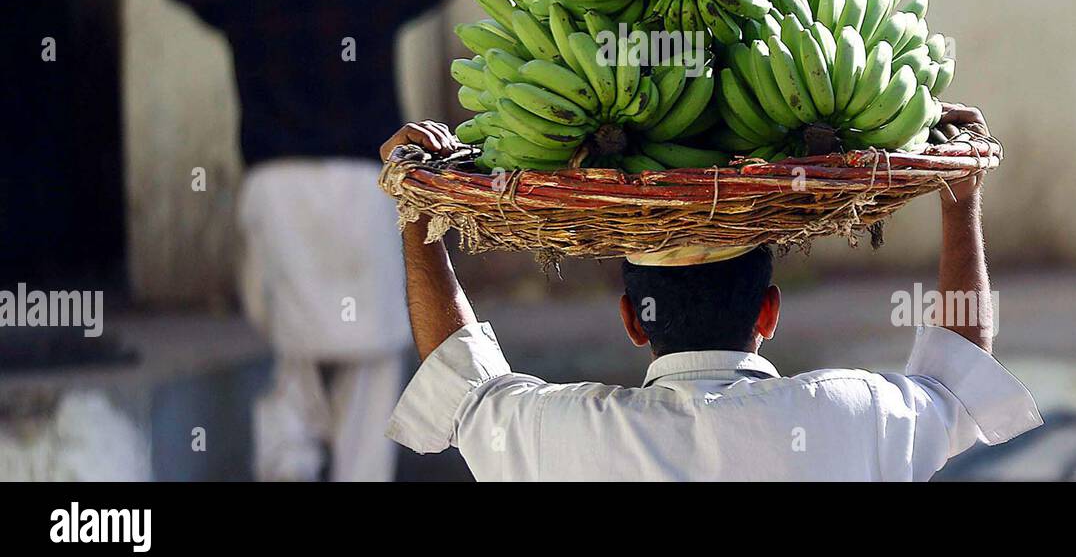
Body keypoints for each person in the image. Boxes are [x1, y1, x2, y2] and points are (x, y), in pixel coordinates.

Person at [379, 107, 1042, 481]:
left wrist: (417, 212)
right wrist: (961, 198)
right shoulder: (853, 413)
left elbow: (462, 386)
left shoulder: (559, 432)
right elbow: (959, 378)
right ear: (768, 311)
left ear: (633, 321)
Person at [162, 0, 475, 481]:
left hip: (276, 191)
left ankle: (290, 465)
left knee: (296, 354)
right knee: (370, 359)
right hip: (366, 190)